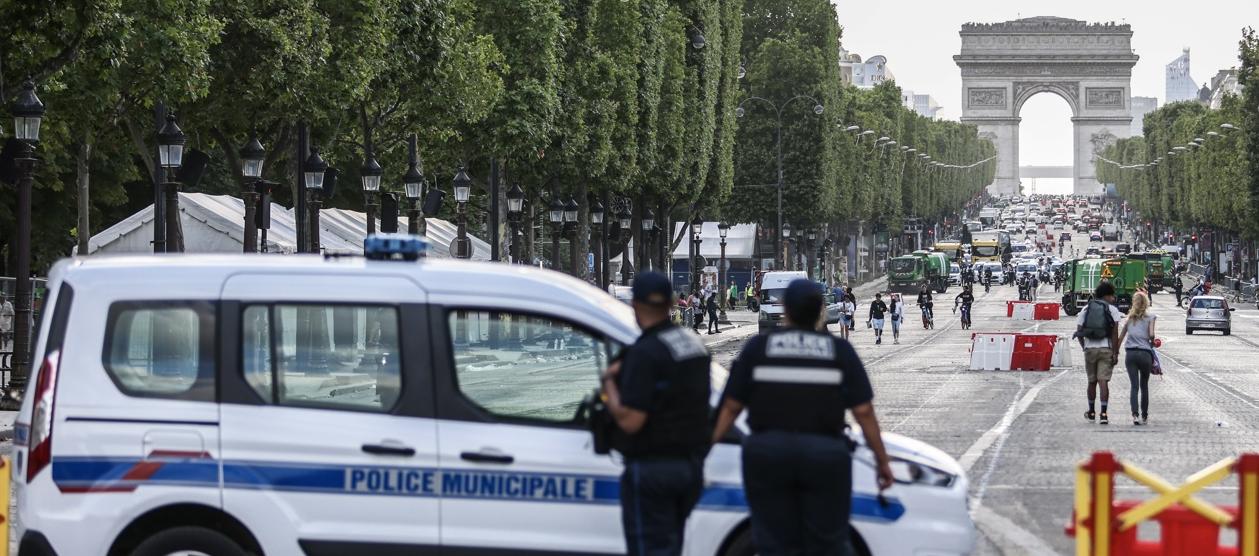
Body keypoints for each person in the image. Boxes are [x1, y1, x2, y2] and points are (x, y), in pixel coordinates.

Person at [711, 279, 894, 555]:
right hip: (824, 456)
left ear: (786, 310)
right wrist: (882, 462)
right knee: (827, 541)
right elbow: (864, 412)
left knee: (772, 540)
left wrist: (706, 449)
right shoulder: (839, 352)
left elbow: (730, 408)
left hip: (768, 455)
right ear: (820, 310)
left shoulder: (758, 349)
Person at [600, 272, 712, 555]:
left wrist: (609, 386)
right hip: (690, 467)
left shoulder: (646, 353)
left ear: (635, 305)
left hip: (652, 469)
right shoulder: (693, 344)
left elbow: (631, 420)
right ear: (673, 303)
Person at [1074, 282, 1124, 425]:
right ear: (1106, 295)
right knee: (1103, 381)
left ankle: (1091, 411)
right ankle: (1103, 413)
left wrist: (1084, 346)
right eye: (1112, 295)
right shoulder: (1112, 310)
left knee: (1091, 381)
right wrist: (1115, 352)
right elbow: (1115, 333)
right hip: (1105, 349)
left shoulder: (1086, 308)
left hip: (1090, 349)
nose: (1113, 298)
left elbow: (1079, 331)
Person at [1117, 292, 1157, 426]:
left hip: (1131, 354)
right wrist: (1152, 341)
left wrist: (1115, 352)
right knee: (1144, 385)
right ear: (1146, 303)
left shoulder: (1129, 319)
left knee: (1134, 386)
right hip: (1145, 354)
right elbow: (1151, 335)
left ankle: (1135, 415)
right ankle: (1144, 415)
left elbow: (1121, 337)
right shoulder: (1151, 317)